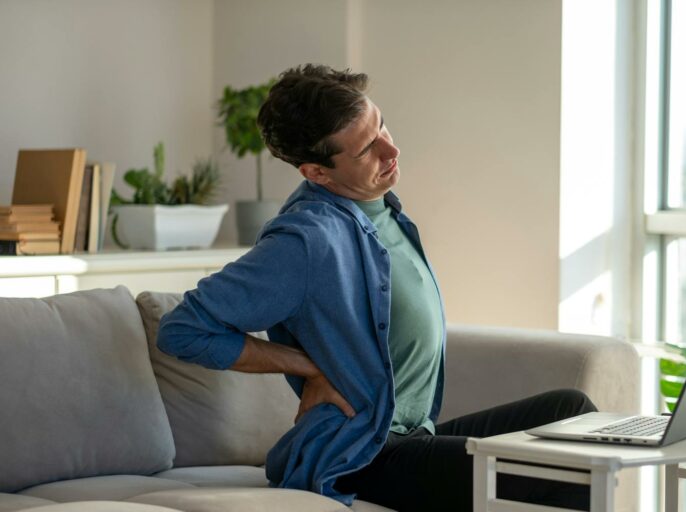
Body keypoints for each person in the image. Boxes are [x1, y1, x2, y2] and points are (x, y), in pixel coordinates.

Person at [157, 64, 597, 511]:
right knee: (549, 467)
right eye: (368, 148)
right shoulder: (305, 241)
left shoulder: (382, 206)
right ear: (317, 172)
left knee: (572, 412)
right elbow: (183, 329)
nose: (391, 149)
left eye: (381, 125)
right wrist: (309, 367)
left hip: (411, 437)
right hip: (359, 457)